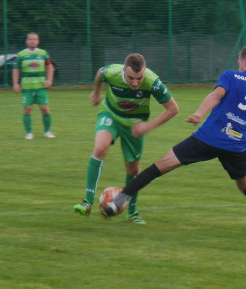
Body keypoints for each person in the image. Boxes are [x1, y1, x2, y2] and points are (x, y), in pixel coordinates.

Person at [101, 43, 246, 233]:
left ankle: (118, 201)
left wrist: (198, 114)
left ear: (244, 61)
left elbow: (216, 96)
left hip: (208, 138)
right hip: (238, 147)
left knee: (159, 166)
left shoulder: (232, 76)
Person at [72, 53, 179, 224]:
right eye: (131, 78)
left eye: (139, 78)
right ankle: (87, 202)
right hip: (111, 114)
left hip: (135, 125)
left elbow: (173, 109)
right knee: (100, 149)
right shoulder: (113, 72)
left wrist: (148, 126)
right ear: (123, 71)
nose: (136, 83)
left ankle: (132, 212)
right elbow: (100, 73)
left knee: (132, 169)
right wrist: (96, 92)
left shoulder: (152, 81)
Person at [12, 32, 55, 139]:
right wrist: (16, 84)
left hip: (40, 87)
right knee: (27, 109)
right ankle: (29, 133)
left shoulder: (43, 53)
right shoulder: (21, 55)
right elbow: (16, 70)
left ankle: (48, 131)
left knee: (45, 109)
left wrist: (49, 80)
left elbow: (50, 67)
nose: (32, 41)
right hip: (27, 87)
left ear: (38, 41)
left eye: (34, 39)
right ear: (27, 41)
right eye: (30, 39)